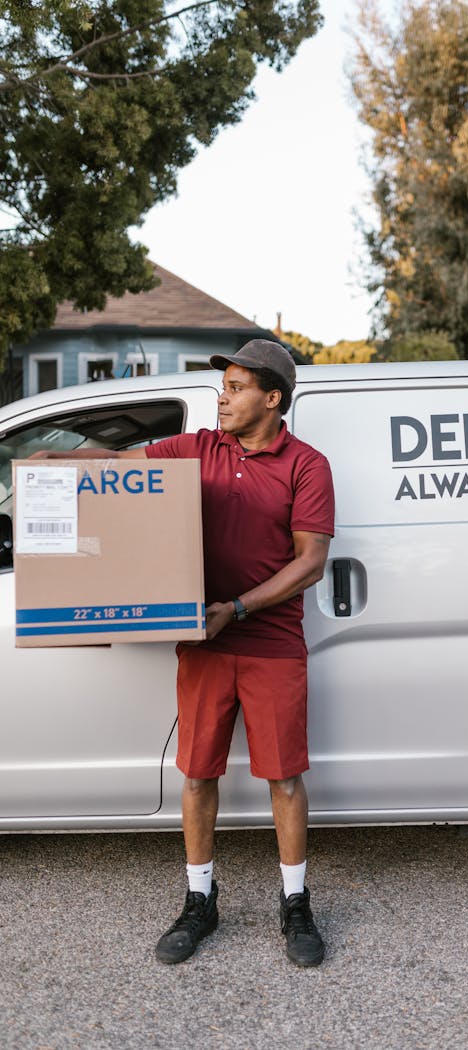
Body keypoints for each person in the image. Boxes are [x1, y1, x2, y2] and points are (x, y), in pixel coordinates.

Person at [32, 339, 335, 968]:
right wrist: (53, 462)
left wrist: (238, 608)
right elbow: (117, 465)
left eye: (236, 388)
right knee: (197, 773)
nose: (221, 398)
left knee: (284, 776)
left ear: (272, 398)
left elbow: (310, 562)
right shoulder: (197, 448)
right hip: (201, 640)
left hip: (271, 643)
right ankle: (201, 900)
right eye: (222, 387)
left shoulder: (307, 465)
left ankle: (296, 901)